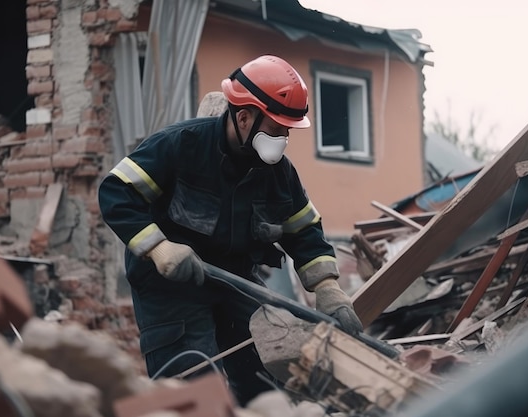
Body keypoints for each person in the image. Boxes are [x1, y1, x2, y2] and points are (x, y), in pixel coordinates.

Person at [98, 55, 363, 405]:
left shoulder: (279, 175)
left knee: (270, 379)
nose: (283, 138)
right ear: (243, 117)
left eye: (288, 130)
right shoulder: (180, 146)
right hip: (171, 287)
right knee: (193, 393)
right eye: (276, 128)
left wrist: (327, 287)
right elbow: (117, 191)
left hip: (234, 281)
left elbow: (304, 231)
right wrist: (158, 248)